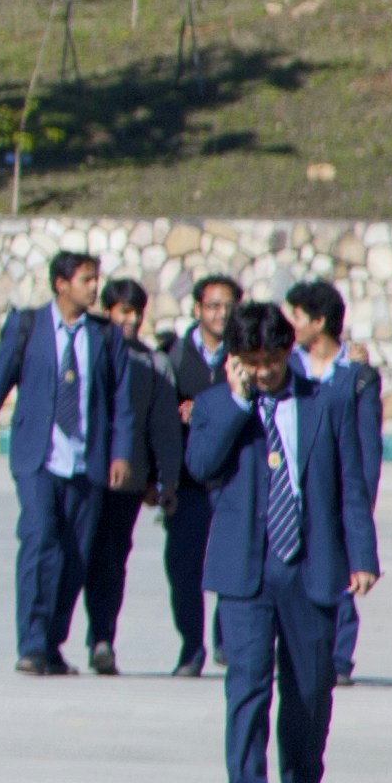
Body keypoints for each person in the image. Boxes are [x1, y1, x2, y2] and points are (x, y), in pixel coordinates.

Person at [178, 304, 371, 783]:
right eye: (249, 361)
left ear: (288, 351)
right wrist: (240, 403)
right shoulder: (218, 405)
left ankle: (303, 782)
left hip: (310, 566)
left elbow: (349, 483)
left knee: (309, 688)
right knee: (246, 685)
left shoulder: (326, 405)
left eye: (268, 360)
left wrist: (362, 556)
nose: (261, 372)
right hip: (245, 569)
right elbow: (200, 467)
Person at [0, 251, 142, 675]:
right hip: (38, 458)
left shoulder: (106, 337)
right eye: (85, 279)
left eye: (96, 279)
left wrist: (119, 453)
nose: (95, 288)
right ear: (61, 284)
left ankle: (52, 645)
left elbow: (121, 402)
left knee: (75, 556)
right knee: (41, 541)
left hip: (86, 461)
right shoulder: (28, 327)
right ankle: (31, 643)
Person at [286, 280, 386, 677]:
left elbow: (367, 443)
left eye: (295, 316)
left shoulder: (357, 375)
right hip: (296, 488)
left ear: (318, 321)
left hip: (340, 488)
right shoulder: (288, 367)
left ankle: (339, 655)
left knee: (342, 566)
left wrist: (363, 497)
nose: (289, 324)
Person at [151, 277, 240, 677]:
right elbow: (155, 415)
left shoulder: (243, 357)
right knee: (183, 569)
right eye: (213, 306)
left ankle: (226, 641)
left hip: (232, 480)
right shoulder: (172, 355)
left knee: (233, 563)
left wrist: (206, 410)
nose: (220, 314)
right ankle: (191, 646)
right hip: (187, 482)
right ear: (197, 310)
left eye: (227, 307)